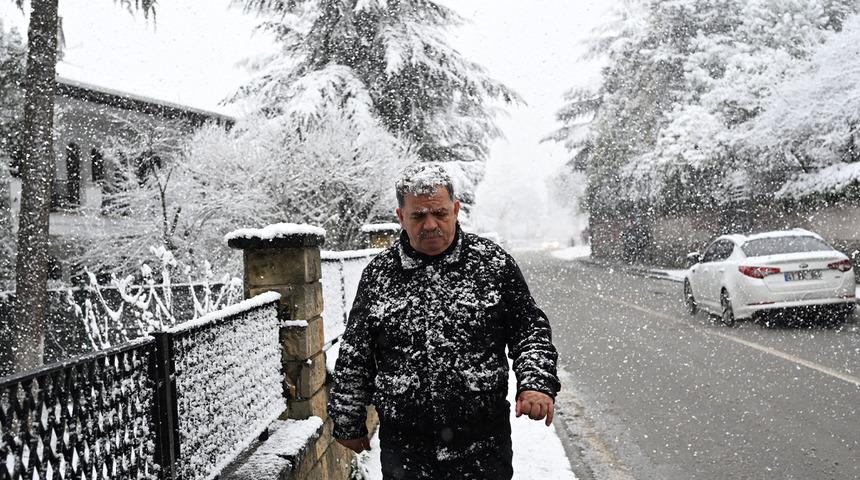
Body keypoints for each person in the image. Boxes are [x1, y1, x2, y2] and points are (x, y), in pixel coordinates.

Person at [329, 163, 561, 480]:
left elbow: (529, 331)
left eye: (439, 213)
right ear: (400, 217)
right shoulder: (380, 276)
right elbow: (357, 351)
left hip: (482, 447)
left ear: (455, 210)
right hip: (407, 451)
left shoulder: (492, 265)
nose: (430, 224)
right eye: (418, 216)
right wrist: (347, 418)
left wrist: (536, 384)